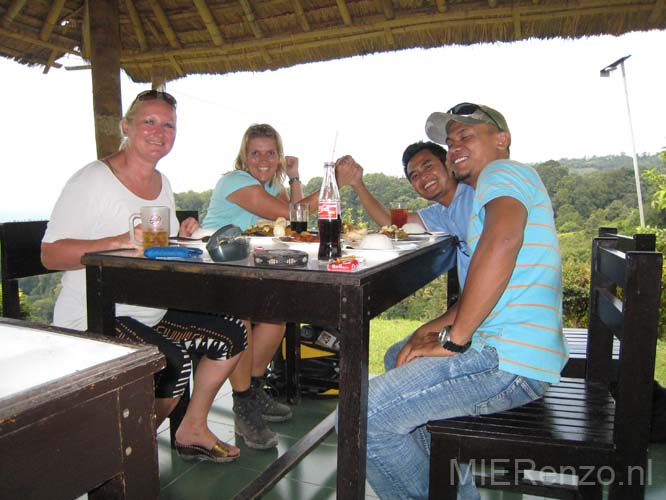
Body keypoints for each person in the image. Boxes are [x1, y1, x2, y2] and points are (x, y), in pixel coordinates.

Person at [364, 103, 568, 499]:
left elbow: (502, 243)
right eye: (451, 139)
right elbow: (487, 278)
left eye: (466, 136)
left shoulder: (501, 172)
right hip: (510, 347)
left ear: (501, 140)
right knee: (400, 354)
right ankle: (455, 491)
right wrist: (429, 330)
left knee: (362, 417)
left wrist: (454, 339)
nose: (455, 145)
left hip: (508, 360)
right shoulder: (490, 189)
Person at [41, 90, 248, 463]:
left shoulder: (162, 182)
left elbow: (154, 247)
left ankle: (192, 428)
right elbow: (51, 254)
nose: (159, 131)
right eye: (149, 122)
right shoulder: (92, 180)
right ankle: (116, 455)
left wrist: (181, 237)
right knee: (171, 363)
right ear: (126, 126)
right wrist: (117, 241)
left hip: (151, 311)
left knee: (232, 333)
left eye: (168, 125)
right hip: (96, 313)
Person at [202, 123, 320, 450]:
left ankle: (253, 389)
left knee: (275, 317)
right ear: (244, 156)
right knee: (240, 314)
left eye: (271, 153)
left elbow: (298, 224)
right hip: (211, 273)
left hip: (245, 272)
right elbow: (293, 213)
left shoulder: (269, 187)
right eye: (256, 153)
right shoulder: (237, 181)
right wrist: (333, 182)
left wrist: (294, 176)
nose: (263, 159)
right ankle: (243, 404)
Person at [335, 141, 474, 287]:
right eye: (414, 176)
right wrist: (357, 183)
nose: (423, 177)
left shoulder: (476, 195)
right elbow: (391, 222)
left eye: (428, 166)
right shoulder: (440, 212)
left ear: (448, 164)